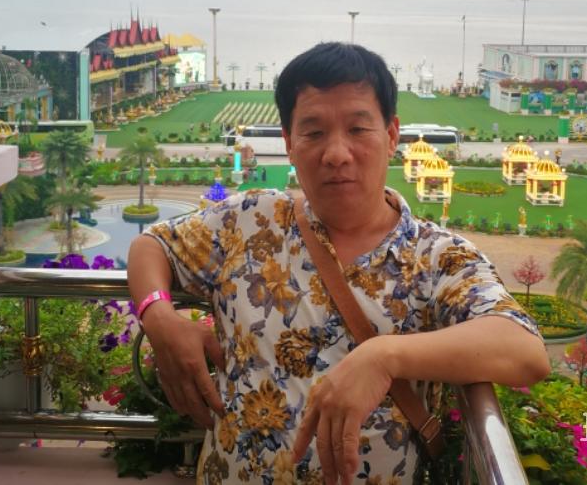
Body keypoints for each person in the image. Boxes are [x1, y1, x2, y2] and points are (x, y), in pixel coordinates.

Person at [128, 42, 550, 484]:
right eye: (313, 133)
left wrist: (384, 357)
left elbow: (524, 349)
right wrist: (158, 314)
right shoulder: (249, 220)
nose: (336, 154)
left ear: (392, 135)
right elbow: (152, 245)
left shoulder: (434, 256)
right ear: (289, 143)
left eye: (357, 129)